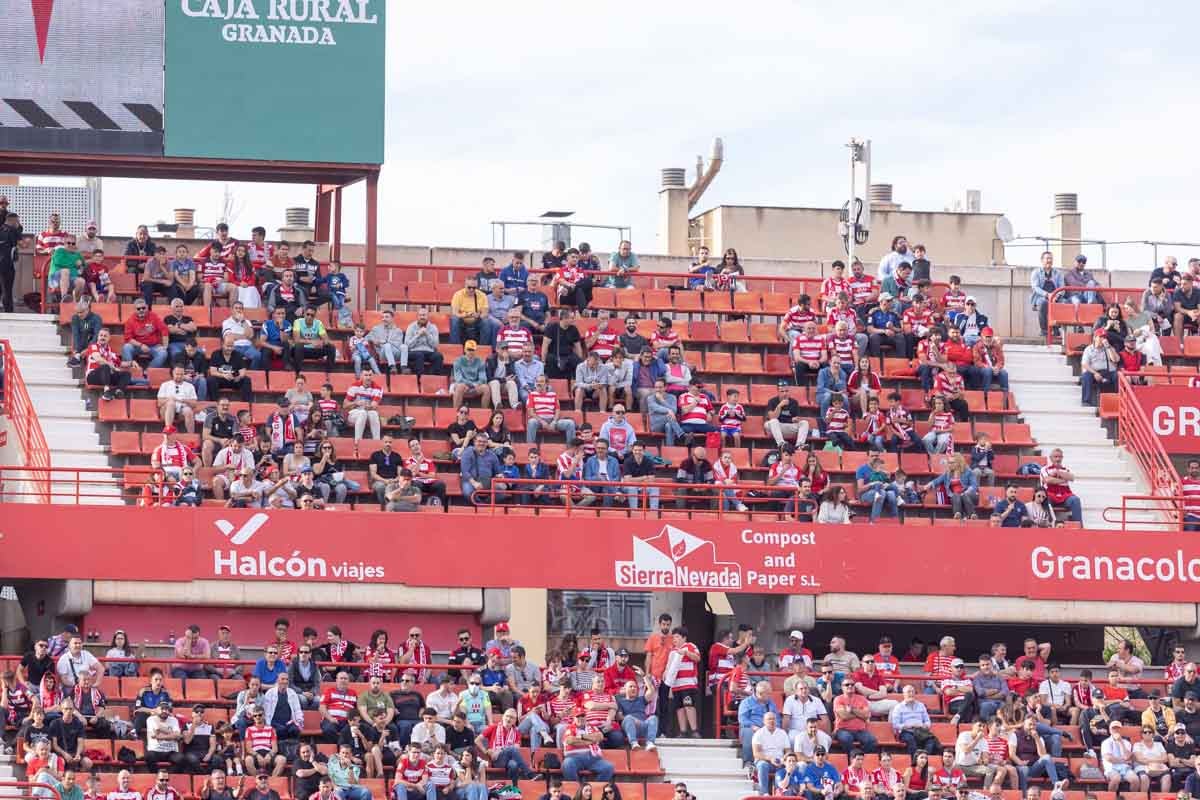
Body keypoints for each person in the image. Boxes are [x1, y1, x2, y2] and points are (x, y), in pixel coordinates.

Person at [1041, 448, 1082, 523]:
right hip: (1051, 494)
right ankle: (1049, 523)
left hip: (1065, 495)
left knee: (1075, 500)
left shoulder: (1066, 469)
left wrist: (1057, 472)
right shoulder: (1044, 469)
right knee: (1045, 499)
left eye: (1060, 457)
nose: (1058, 459)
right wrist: (1064, 479)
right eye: (1055, 457)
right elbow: (1048, 480)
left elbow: (1072, 477)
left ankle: (1078, 526)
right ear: (1051, 458)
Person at [1029, 252, 1063, 338]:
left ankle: (1056, 328)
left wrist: (1056, 296)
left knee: (1064, 303)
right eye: (1047, 258)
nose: (1049, 260)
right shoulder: (1036, 272)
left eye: (1050, 258)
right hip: (1041, 297)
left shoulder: (1058, 273)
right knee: (1043, 303)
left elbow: (1062, 287)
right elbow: (1035, 287)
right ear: (1042, 260)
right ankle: (1044, 330)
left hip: (1055, 297)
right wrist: (1048, 295)